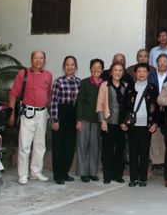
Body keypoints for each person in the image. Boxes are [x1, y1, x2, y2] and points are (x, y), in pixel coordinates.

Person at [8, 50, 53, 185]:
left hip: (42, 113)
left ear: (44, 60)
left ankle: (36, 172)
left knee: (40, 145)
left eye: (41, 58)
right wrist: (11, 113)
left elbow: (49, 94)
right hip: (28, 113)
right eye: (36, 58)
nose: (38, 61)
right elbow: (13, 94)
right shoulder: (23, 74)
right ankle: (23, 174)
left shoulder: (48, 75)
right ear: (31, 59)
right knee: (25, 145)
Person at [124, 63, 159, 186]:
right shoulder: (130, 87)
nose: (141, 74)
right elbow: (125, 106)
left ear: (148, 73)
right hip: (132, 125)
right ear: (135, 73)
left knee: (144, 153)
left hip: (146, 126)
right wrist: (123, 122)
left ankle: (143, 178)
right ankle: (133, 178)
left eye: (144, 71)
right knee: (133, 153)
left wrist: (155, 123)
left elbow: (157, 107)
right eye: (139, 71)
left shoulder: (152, 88)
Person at [96, 61, 130, 184]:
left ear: (123, 73)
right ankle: (107, 175)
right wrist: (102, 121)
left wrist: (126, 122)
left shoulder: (126, 86)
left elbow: (128, 106)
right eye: (115, 70)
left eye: (120, 70)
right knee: (107, 150)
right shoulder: (104, 85)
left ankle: (118, 175)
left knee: (120, 150)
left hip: (121, 124)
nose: (118, 73)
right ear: (111, 72)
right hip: (108, 122)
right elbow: (100, 104)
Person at [50, 56, 81, 185]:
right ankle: (58, 175)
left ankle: (65, 172)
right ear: (64, 67)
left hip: (73, 114)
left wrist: (79, 119)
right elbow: (53, 102)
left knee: (69, 145)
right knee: (58, 145)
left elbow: (80, 103)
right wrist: (54, 119)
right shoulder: (58, 81)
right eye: (67, 65)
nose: (70, 67)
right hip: (61, 113)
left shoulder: (79, 82)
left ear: (75, 67)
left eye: (72, 65)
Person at [75, 58, 104, 182]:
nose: (96, 69)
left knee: (94, 147)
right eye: (94, 67)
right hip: (84, 119)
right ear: (90, 69)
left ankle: (92, 172)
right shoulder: (84, 83)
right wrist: (78, 120)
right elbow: (79, 102)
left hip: (97, 120)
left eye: (99, 67)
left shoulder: (104, 84)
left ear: (102, 70)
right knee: (82, 146)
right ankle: (82, 172)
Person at [148, 53, 167, 170]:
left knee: (164, 134)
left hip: (166, 106)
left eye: (165, 61)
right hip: (153, 106)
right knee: (154, 134)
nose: (162, 63)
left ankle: (162, 160)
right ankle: (155, 160)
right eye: (160, 61)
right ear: (157, 62)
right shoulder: (151, 75)